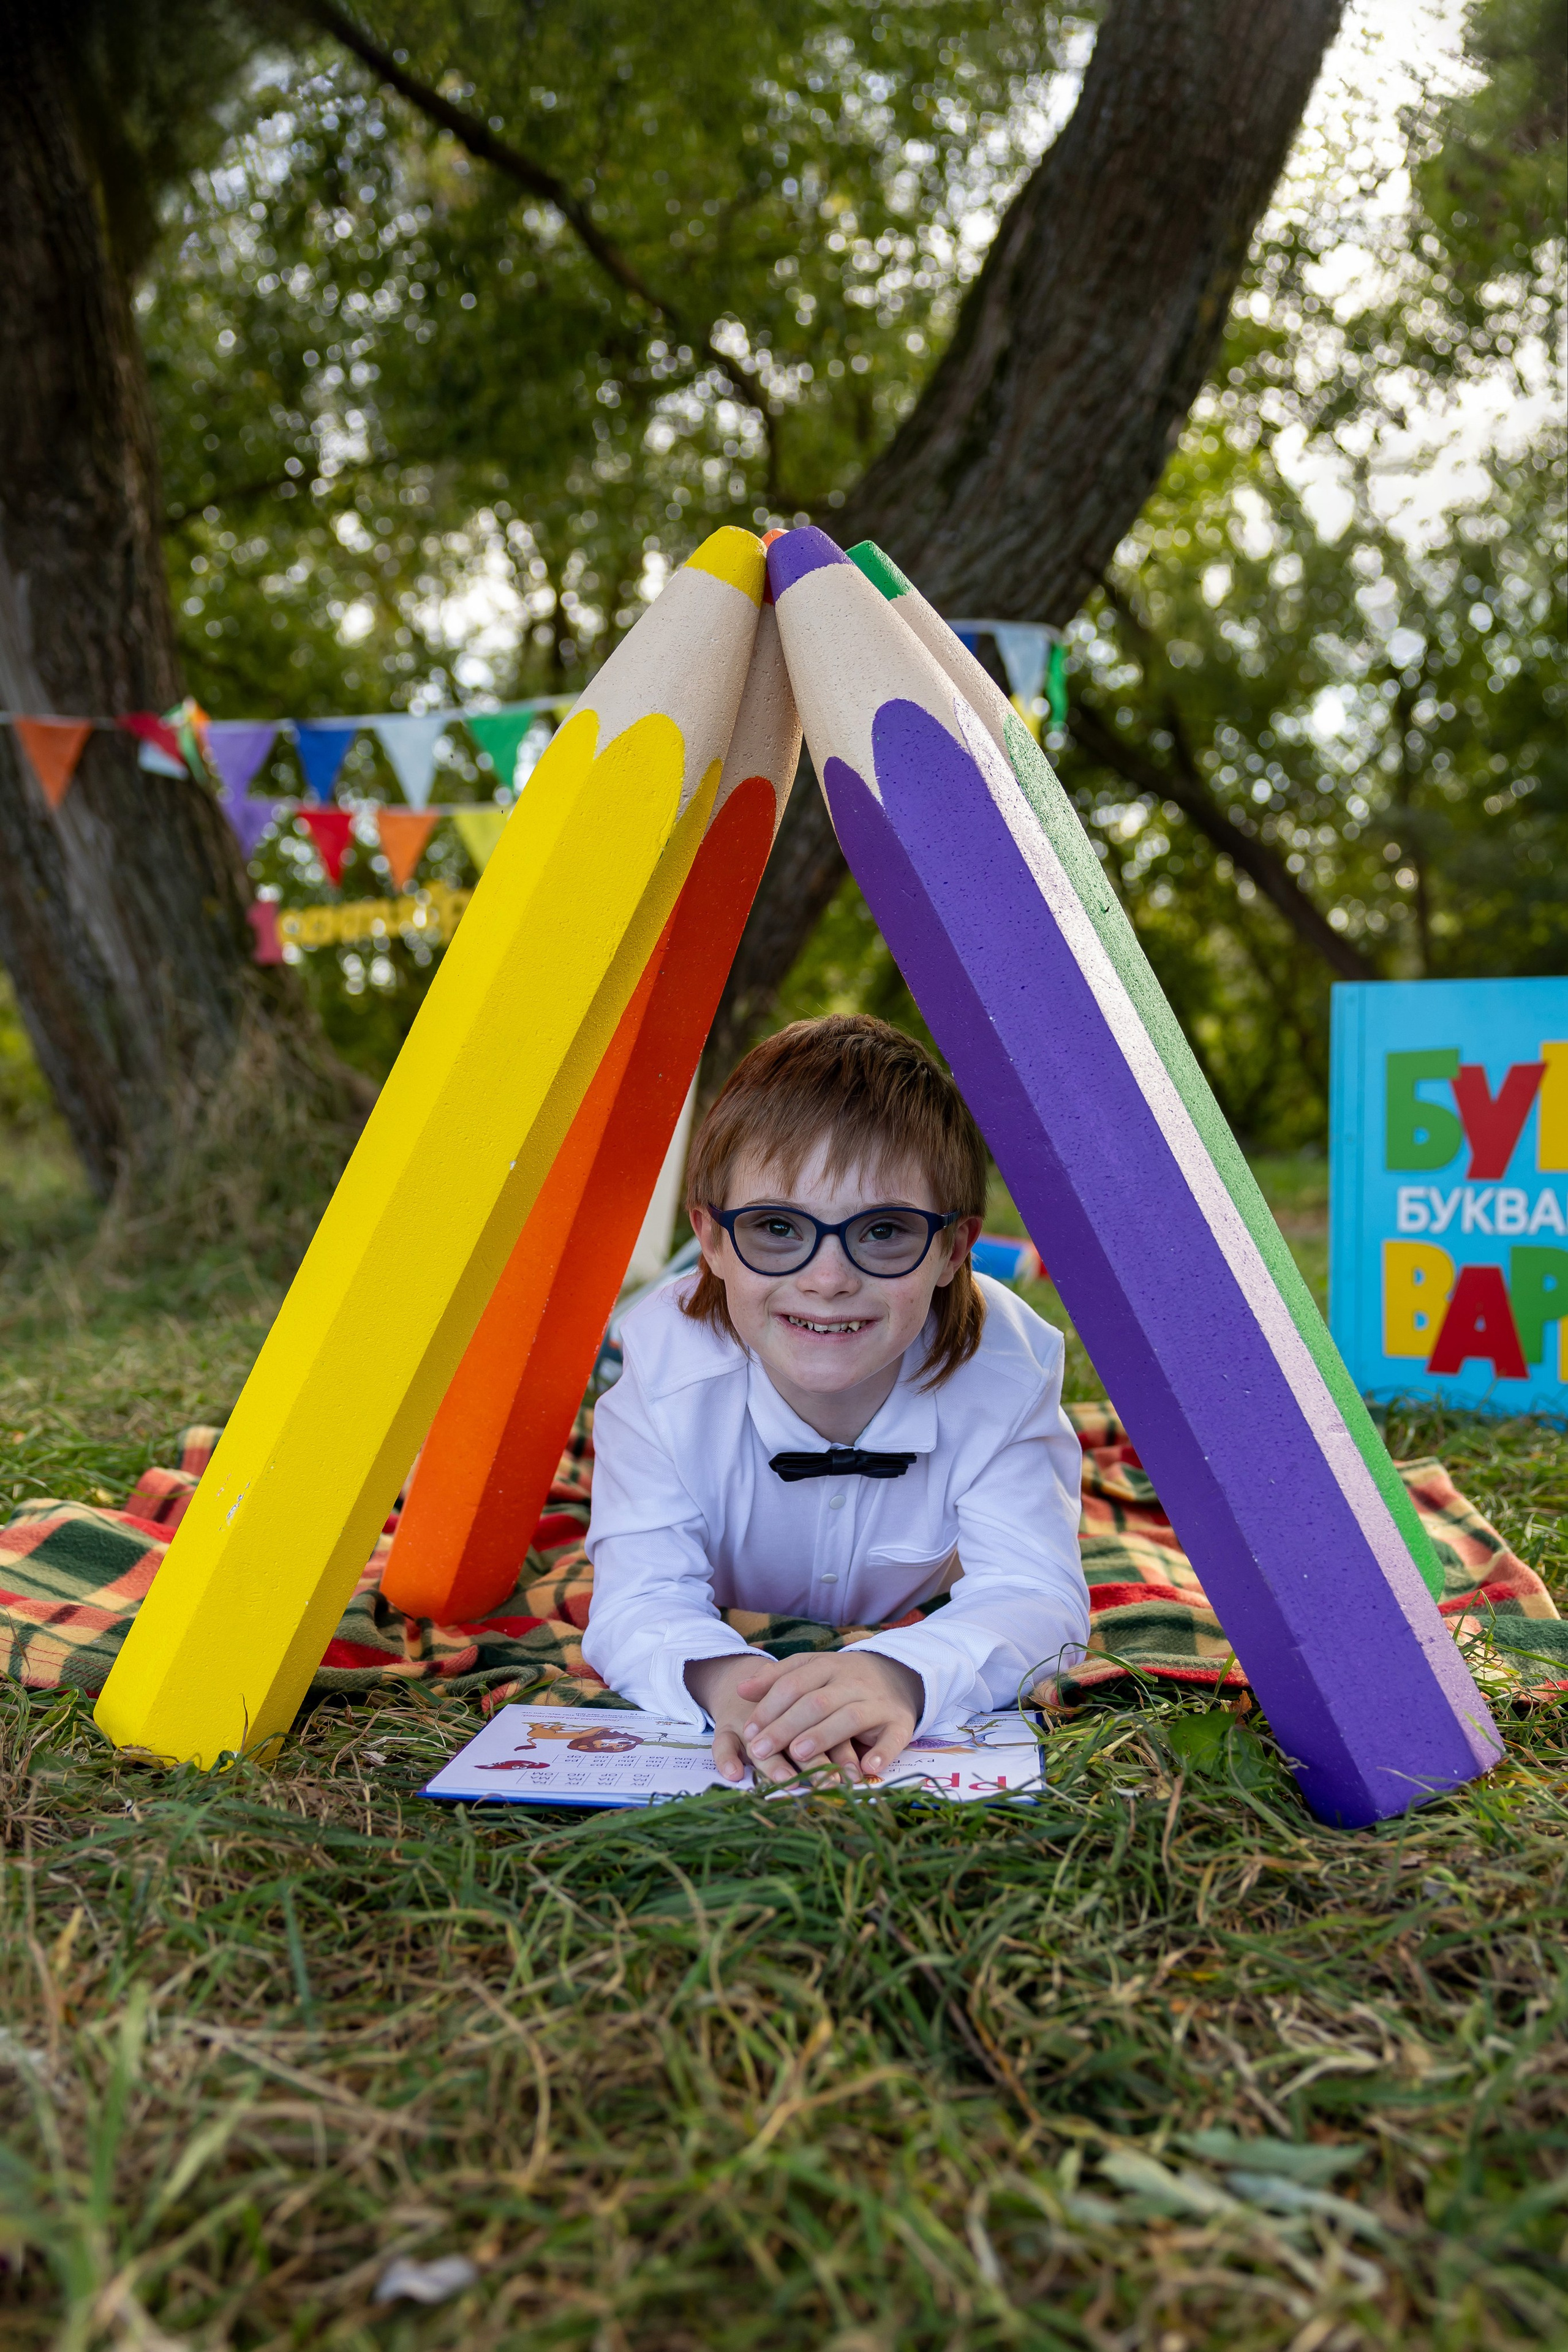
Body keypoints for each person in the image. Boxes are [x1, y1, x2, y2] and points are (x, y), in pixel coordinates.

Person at [582, 1014, 1090, 1785]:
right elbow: (636, 1596)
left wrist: (900, 1675)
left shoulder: (1006, 1373)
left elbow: (1036, 1593)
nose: (827, 1279)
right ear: (711, 1242)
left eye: (883, 1230)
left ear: (954, 1251)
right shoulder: (661, 1377)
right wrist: (729, 1686)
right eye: (778, 1227)